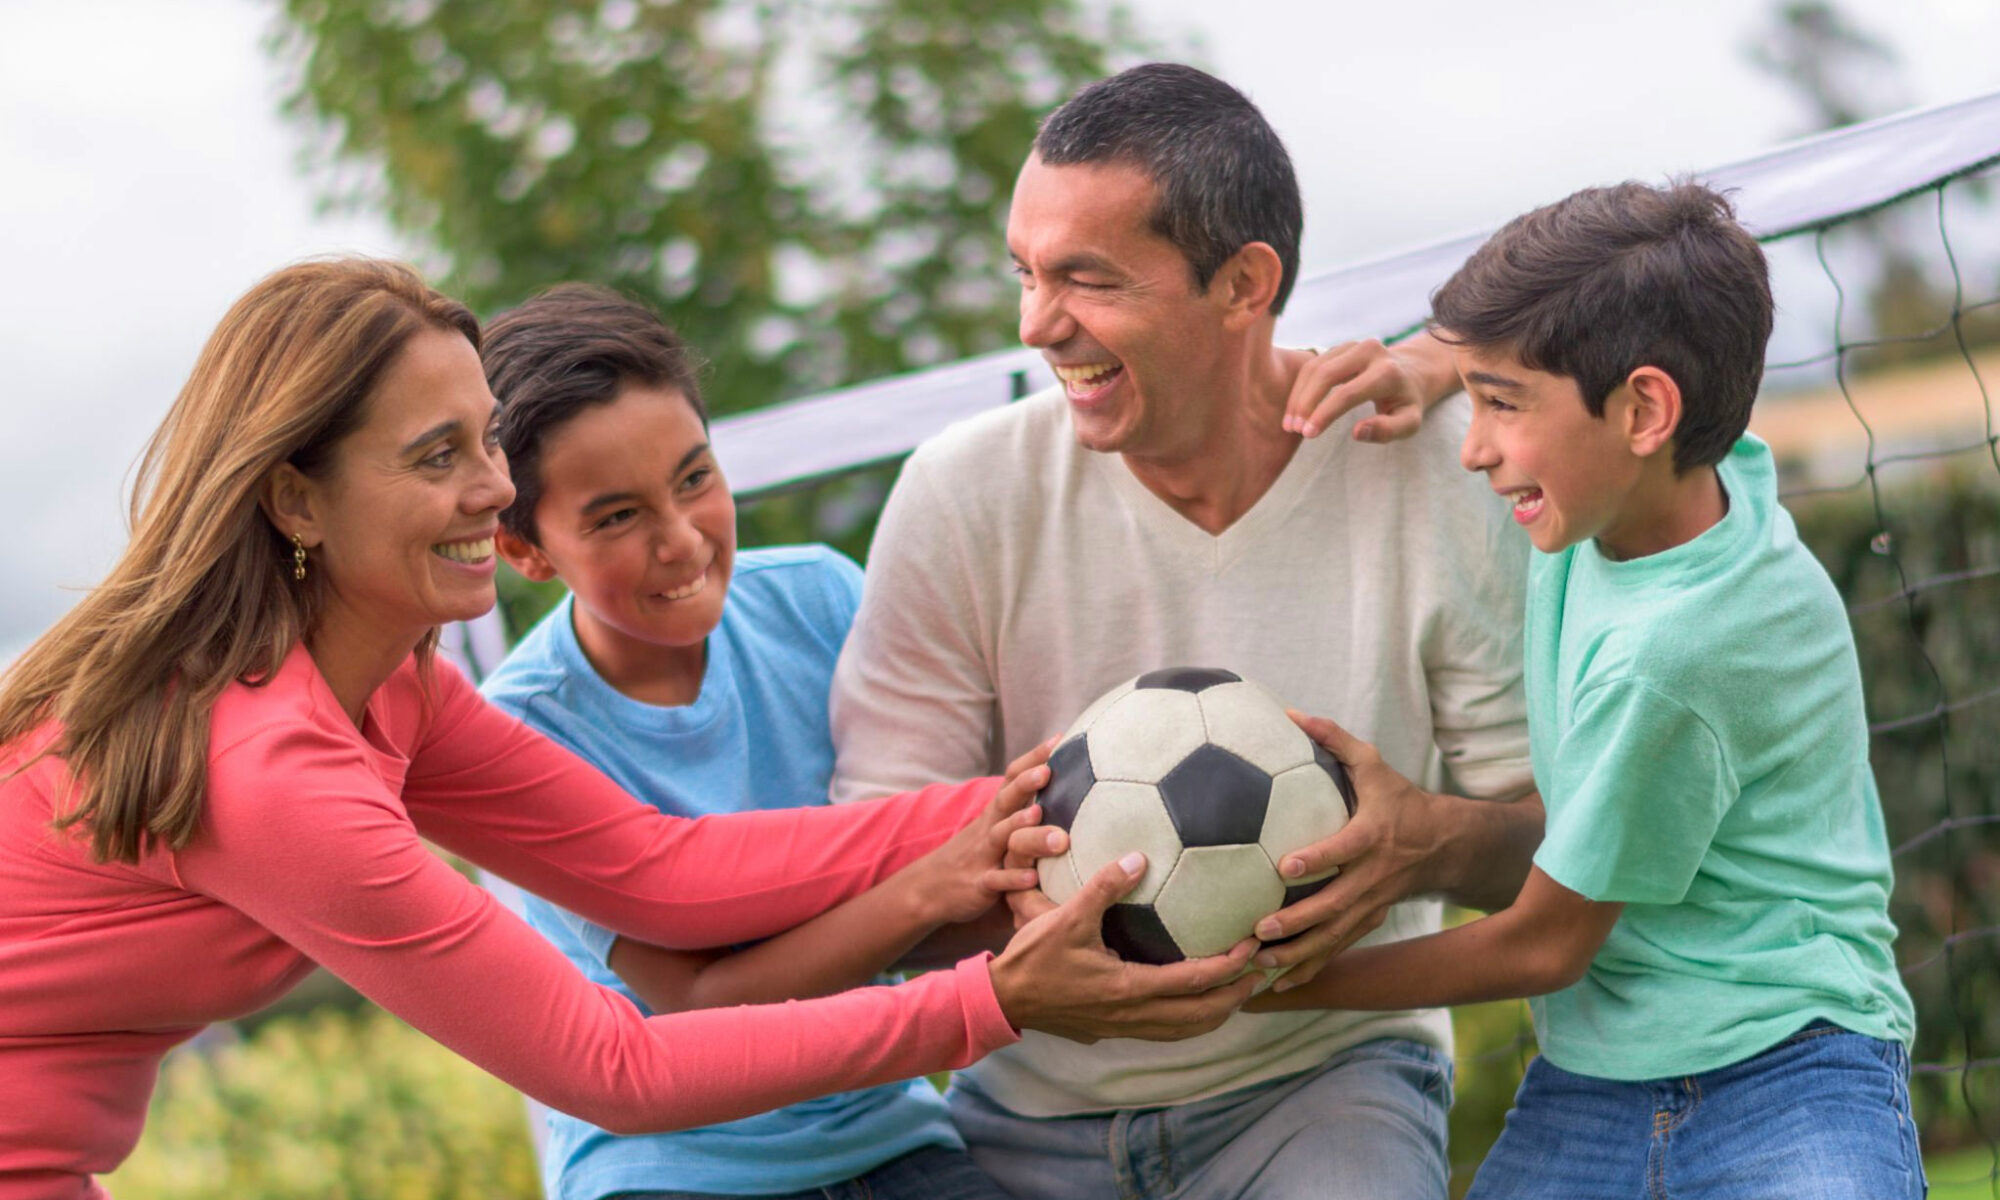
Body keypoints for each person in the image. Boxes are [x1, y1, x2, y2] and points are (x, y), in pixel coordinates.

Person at [0, 258, 1259, 1200]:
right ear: (295, 498)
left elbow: (660, 870)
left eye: (486, 439)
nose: (492, 488)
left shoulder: (388, 685)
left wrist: (1038, 792)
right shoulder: (271, 771)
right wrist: (987, 1002)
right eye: (437, 455)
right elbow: (613, 1067)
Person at [829, 63, 1543, 1199]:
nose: (1036, 322)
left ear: (1242, 284)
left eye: (1086, 279)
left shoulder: (1427, 475)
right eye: (1023, 272)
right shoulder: (957, 495)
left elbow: (1535, 848)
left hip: (1324, 1085)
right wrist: (1022, 938)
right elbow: (866, 885)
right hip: (1015, 1116)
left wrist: (1425, 842)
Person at [1248, 181, 1921, 1198]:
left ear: (1643, 409)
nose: (1472, 448)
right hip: (1595, 1075)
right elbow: (1630, 276)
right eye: (1476, 399)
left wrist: (1261, 990)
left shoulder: (1681, 650)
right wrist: (1433, 362)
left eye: (1501, 406)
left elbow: (1542, 942)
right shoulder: (1684, 476)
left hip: (1793, 1066)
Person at [477, 284, 1018, 1200]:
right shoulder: (523, 730)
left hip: (881, 1130)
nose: (683, 541)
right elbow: (697, 1003)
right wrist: (927, 884)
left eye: (695, 479)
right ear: (525, 549)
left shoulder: (817, 600)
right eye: (617, 517)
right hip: (670, 1167)